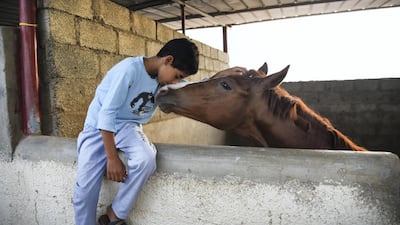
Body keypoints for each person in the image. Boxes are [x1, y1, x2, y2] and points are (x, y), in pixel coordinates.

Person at [73, 38, 246, 225]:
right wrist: (112, 158)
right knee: (85, 191)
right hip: (97, 129)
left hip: (128, 127)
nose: (176, 81)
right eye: (177, 76)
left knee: (146, 158)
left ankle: (115, 214)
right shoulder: (129, 70)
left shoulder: (164, 81)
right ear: (168, 60)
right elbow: (106, 113)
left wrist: (219, 76)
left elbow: (190, 88)